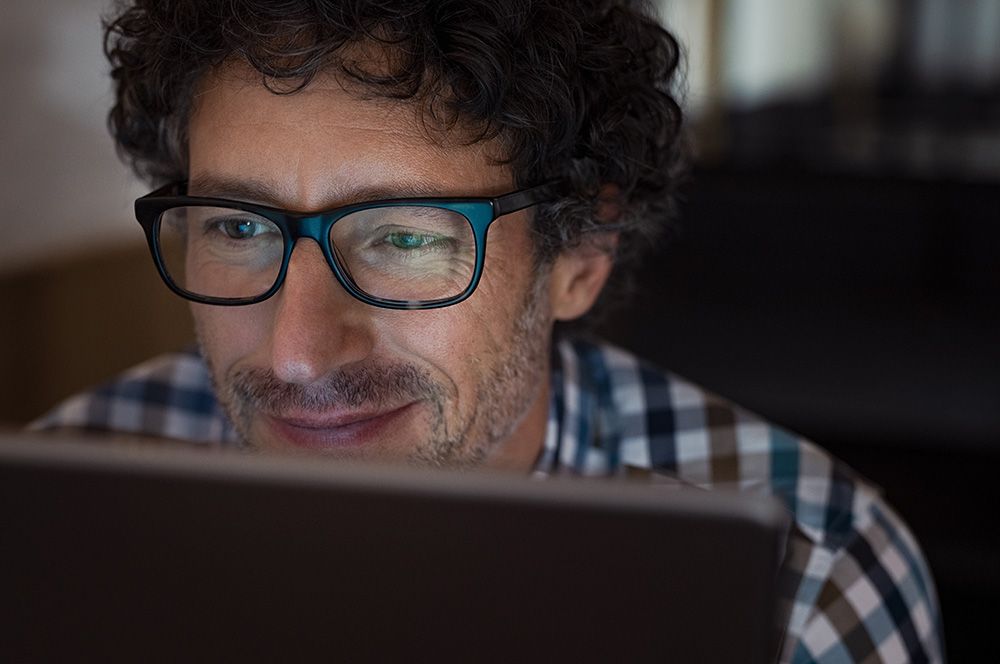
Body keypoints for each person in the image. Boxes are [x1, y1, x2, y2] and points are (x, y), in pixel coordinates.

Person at [32, 0, 943, 661]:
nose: (294, 352)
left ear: (579, 253)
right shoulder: (48, 520)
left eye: (401, 237)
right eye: (237, 228)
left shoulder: (807, 586)